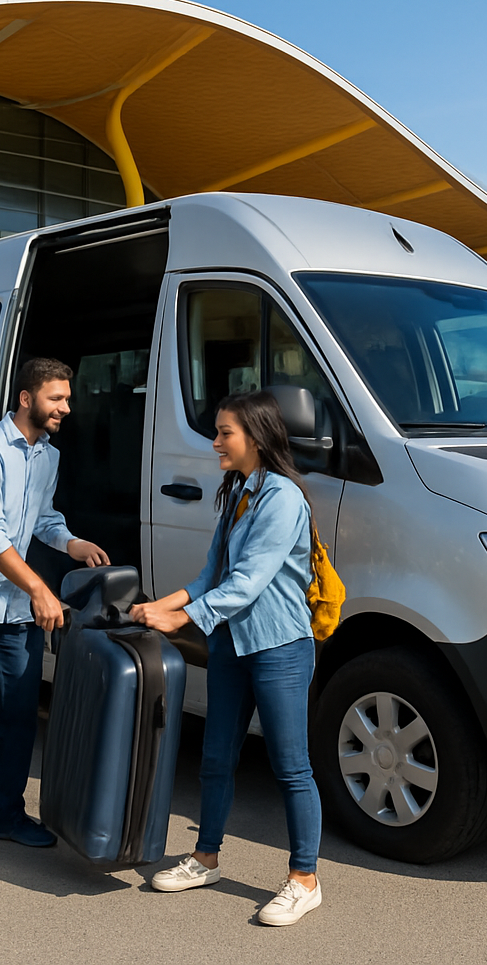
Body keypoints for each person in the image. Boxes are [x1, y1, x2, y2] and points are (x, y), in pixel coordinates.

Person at [131, 389, 323, 927]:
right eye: (217, 431)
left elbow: (247, 584)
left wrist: (181, 620)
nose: (215, 442)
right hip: (232, 646)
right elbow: (210, 577)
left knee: (291, 766)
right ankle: (205, 856)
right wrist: (160, 604)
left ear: (257, 437)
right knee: (216, 759)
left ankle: (304, 879)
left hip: (279, 646)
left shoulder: (283, 497)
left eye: (224, 433)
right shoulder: (239, 491)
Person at [0, 357, 109, 848]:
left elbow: (42, 518)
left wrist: (71, 543)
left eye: (67, 399)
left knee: (18, 713)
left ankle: (5, 816)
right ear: (26, 399)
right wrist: (39, 588)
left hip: (14, 607)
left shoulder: (47, 456)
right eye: (57, 398)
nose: (66, 408)